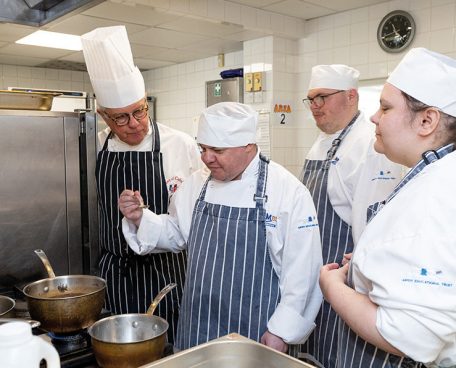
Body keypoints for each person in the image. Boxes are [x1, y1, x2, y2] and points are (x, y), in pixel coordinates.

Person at [119, 101, 323, 353]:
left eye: (217, 150)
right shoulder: (198, 183)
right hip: (198, 324)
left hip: (255, 332)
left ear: (248, 146)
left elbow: (304, 272)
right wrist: (140, 217)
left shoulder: (287, 192)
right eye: (202, 148)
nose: (206, 158)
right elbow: (175, 232)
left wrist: (282, 331)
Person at [320, 47, 456, 368]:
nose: (373, 117)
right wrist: (370, 268)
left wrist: (333, 287)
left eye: (385, 107)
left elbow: (411, 334)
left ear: (426, 121)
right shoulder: (432, 175)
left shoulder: (437, 192)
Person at [81, 25, 201, 344]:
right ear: (104, 116)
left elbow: (193, 220)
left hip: (166, 273)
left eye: (139, 111)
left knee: (168, 351)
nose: (134, 123)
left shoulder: (181, 145)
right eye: (121, 118)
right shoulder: (94, 147)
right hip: (114, 275)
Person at [299, 64, 403, 367]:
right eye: (311, 99)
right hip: (315, 274)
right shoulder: (321, 140)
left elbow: (371, 228)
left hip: (344, 277)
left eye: (323, 97)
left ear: (351, 96)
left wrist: (351, 279)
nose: (315, 107)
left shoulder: (369, 145)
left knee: (335, 355)